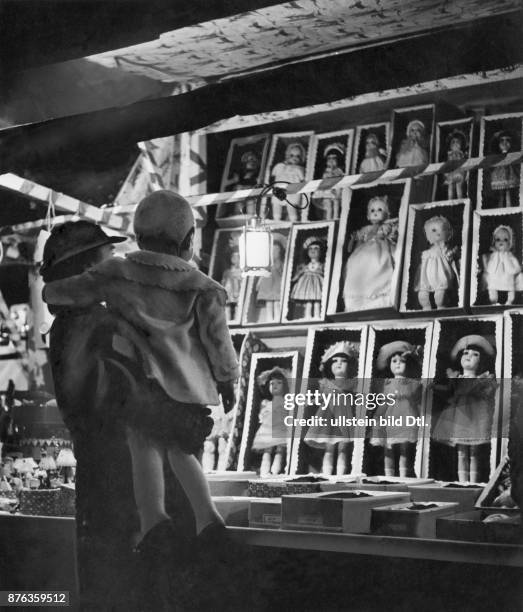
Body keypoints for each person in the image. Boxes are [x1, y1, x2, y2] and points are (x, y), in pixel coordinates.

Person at [43, 191, 240, 555]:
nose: (113, 259)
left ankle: (161, 521)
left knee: (148, 447)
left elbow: (64, 294)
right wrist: (224, 384)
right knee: (176, 454)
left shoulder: (111, 292)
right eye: (104, 256)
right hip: (128, 476)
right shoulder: (201, 290)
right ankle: (191, 519)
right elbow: (219, 346)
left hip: (134, 438)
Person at [40, 221, 142, 609]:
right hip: (117, 467)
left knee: (100, 566)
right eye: (106, 259)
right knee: (116, 574)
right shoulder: (100, 323)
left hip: (98, 467)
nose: (115, 264)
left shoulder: (69, 323)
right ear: (88, 270)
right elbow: (117, 400)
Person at [431, 335, 497, 483]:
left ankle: (473, 482)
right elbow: (448, 390)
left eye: (475, 355)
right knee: (461, 452)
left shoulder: (483, 379)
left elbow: (484, 393)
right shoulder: (456, 377)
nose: (469, 357)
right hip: (459, 418)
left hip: (476, 419)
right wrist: (434, 388)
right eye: (465, 353)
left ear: (481, 361)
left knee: (474, 453)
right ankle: (462, 482)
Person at [304, 341, 360, 475]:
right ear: (329, 365)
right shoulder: (325, 383)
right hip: (327, 417)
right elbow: (320, 398)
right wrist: (310, 401)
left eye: (343, 361)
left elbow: (357, 398)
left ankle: (340, 474)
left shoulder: (352, 383)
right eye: (335, 361)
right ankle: (327, 474)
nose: (339, 363)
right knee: (329, 448)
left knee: (342, 448)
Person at [369, 341, 422, 477]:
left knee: (404, 449)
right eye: (394, 361)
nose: (397, 363)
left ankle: (403, 476)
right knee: (388, 448)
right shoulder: (386, 384)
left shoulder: (412, 383)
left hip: (406, 418)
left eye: (402, 361)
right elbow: (383, 403)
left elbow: (416, 398)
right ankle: (389, 477)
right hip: (390, 419)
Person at [342, 196, 398, 312]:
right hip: (363, 253)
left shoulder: (387, 226)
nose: (376, 213)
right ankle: (357, 301)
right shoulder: (365, 230)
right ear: (368, 215)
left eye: (380, 210)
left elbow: (391, 237)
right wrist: (353, 252)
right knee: (354, 266)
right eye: (372, 210)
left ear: (388, 213)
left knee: (379, 265)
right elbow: (354, 247)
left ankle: (378, 299)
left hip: (380, 250)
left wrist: (385, 233)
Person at [251, 367, 290, 476]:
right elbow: (262, 415)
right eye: (271, 383)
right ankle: (264, 471)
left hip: (280, 428)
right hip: (268, 428)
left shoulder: (286, 402)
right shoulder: (266, 403)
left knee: (279, 450)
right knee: (267, 450)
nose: (274, 385)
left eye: (279, 383)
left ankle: (275, 471)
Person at [415, 215, 459, 310]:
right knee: (422, 296)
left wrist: (453, 253)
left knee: (440, 297)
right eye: (434, 230)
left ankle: (441, 307)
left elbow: (451, 258)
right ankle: (426, 308)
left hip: (441, 279)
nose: (438, 233)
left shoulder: (445, 250)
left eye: (442, 230)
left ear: (448, 233)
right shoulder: (426, 253)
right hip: (425, 279)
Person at [482, 225, 522, 305]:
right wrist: (497, 255)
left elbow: (514, 269)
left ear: (510, 243)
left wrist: (505, 257)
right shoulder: (493, 255)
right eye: (498, 239)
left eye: (505, 240)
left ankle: (510, 301)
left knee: (511, 289)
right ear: (494, 242)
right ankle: (493, 301)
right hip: (495, 278)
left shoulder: (510, 256)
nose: (501, 242)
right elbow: (490, 269)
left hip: (507, 279)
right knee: (491, 284)